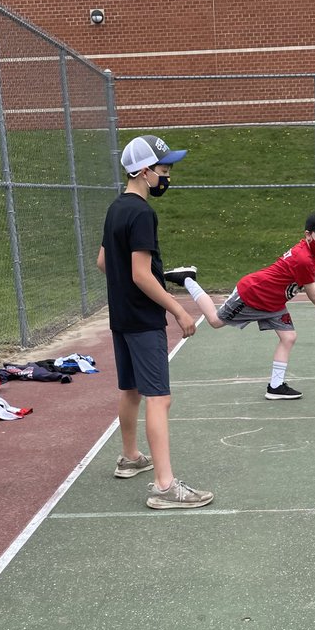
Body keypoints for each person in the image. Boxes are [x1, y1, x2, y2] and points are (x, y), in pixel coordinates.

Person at [97, 133, 213, 510]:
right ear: (144, 171)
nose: (167, 176)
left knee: (131, 389)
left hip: (121, 317)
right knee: (159, 399)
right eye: (163, 169)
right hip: (144, 320)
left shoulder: (116, 208)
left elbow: (103, 261)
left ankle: (130, 457)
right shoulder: (143, 213)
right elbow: (141, 274)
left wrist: (125, 287)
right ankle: (165, 486)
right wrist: (178, 309)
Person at [165, 210, 315, 401]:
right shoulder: (303, 257)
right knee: (215, 321)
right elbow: (311, 293)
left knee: (288, 337)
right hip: (252, 294)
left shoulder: (308, 252)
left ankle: (275, 386)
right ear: (308, 235)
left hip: (273, 303)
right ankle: (187, 278)